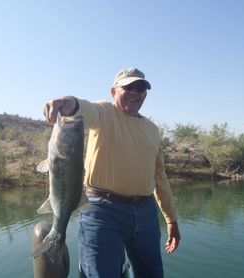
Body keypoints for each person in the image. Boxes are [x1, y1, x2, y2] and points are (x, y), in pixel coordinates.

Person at [43, 67, 181, 278]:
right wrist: (67, 102)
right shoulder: (105, 112)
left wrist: (171, 219)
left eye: (141, 88)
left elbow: (159, 177)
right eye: (128, 87)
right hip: (102, 212)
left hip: (145, 213)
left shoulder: (152, 129)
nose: (135, 92)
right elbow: (84, 109)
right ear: (113, 91)